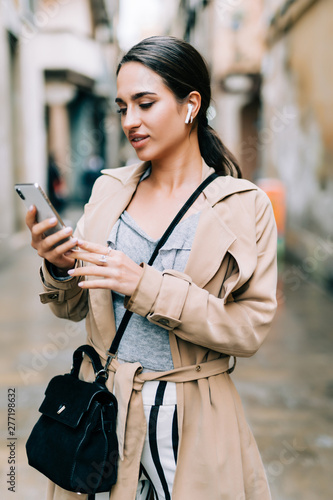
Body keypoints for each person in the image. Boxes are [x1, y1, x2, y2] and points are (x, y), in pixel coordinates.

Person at [26, 36, 277, 500]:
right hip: (102, 411)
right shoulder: (108, 192)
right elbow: (74, 308)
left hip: (192, 416)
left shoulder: (245, 207)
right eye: (122, 107)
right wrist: (59, 267)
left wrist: (144, 285)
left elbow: (249, 329)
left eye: (145, 103)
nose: (130, 122)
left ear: (190, 105)